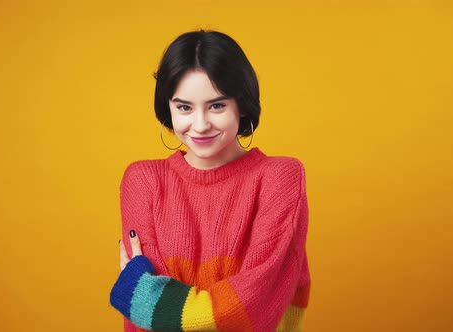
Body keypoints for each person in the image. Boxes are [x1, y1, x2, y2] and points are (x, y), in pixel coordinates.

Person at [109, 30, 311, 332]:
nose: (200, 125)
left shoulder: (280, 178)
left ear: (241, 105)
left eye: (217, 105)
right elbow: (146, 325)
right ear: (168, 108)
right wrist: (149, 302)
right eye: (184, 107)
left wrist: (140, 295)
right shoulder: (143, 181)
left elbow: (252, 310)